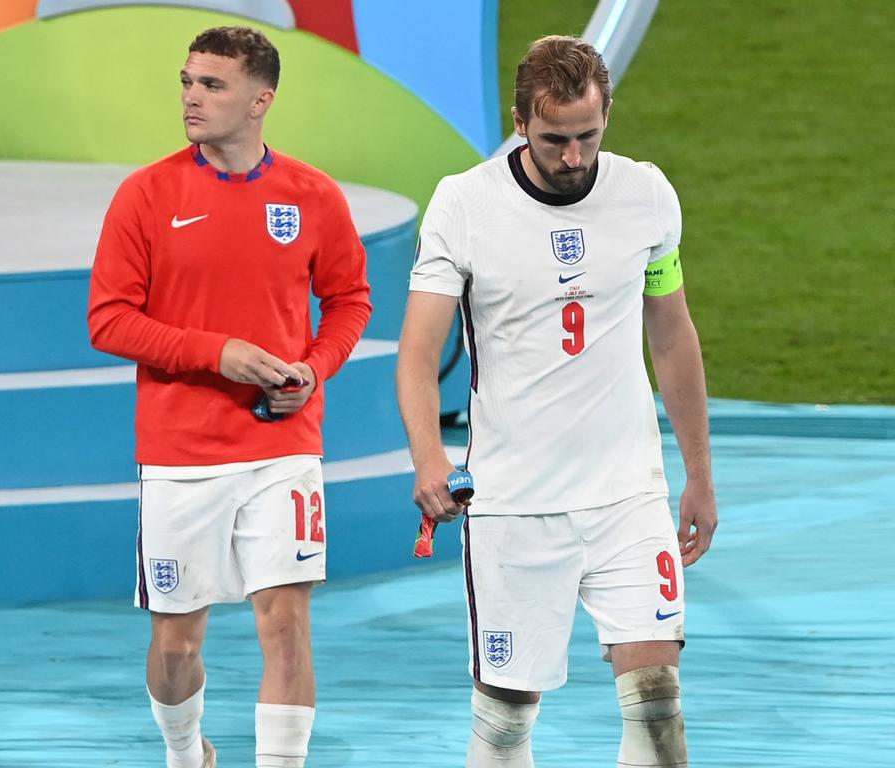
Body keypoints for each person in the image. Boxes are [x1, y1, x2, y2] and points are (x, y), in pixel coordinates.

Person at [396, 35, 717, 768]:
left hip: (627, 496)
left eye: (588, 137)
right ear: (518, 121)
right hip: (513, 505)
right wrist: (427, 459)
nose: (574, 158)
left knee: (657, 701)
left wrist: (697, 472)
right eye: (554, 140)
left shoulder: (646, 195)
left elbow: (672, 338)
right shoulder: (465, 205)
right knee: (506, 723)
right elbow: (417, 355)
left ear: (607, 117)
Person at [88, 26, 371, 768]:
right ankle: (187, 755)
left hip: (284, 447)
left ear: (259, 100)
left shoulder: (313, 196)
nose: (190, 96)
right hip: (181, 454)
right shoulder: (145, 195)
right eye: (187, 81)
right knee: (177, 643)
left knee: (287, 624)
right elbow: (108, 319)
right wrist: (220, 354)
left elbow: (349, 300)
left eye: (211, 85)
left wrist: (313, 370)